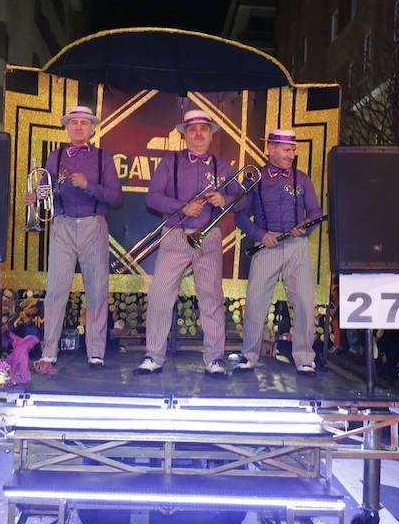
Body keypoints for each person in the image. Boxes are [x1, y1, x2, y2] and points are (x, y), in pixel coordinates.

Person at [135, 109, 244, 377]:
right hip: (175, 235)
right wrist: (181, 207)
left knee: (211, 298)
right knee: (160, 295)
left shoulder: (222, 165)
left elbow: (245, 199)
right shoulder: (169, 163)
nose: (198, 134)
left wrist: (225, 200)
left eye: (203, 129)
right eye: (192, 129)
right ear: (184, 135)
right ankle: (153, 356)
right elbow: (152, 198)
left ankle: (214, 359)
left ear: (211, 134)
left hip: (208, 238)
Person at [23, 106, 122, 371]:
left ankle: (96, 352)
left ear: (92, 129)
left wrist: (88, 185)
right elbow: (47, 193)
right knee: (55, 290)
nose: (78, 127)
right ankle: (49, 352)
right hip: (63, 224)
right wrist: (35, 198)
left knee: (97, 291)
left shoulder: (103, 158)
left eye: (83, 123)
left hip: (93, 224)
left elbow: (116, 198)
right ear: (67, 128)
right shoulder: (54, 157)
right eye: (73, 123)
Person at [233, 129, 322, 375]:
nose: (291, 154)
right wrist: (261, 235)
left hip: (297, 247)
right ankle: (249, 355)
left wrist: (304, 228)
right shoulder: (255, 178)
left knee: (304, 302)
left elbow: (315, 212)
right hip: (267, 247)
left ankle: (305, 357)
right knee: (255, 302)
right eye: (286, 149)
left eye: (293, 150)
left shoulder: (302, 178)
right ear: (270, 148)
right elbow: (239, 217)